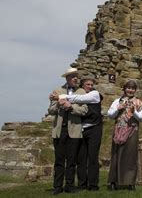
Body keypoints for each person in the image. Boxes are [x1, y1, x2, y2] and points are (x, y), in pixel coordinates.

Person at [48, 67, 88, 195]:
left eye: (76, 76)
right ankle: (57, 186)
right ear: (67, 78)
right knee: (59, 160)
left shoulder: (81, 92)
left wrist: (71, 107)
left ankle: (69, 186)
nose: (75, 78)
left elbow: (84, 110)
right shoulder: (58, 91)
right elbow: (51, 110)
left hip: (74, 131)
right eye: (72, 76)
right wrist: (59, 103)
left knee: (71, 160)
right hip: (59, 130)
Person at [62, 75, 103, 191]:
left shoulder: (94, 94)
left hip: (94, 129)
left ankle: (93, 185)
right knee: (81, 158)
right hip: (81, 129)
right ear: (82, 85)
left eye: (91, 84)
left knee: (93, 158)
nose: (90, 86)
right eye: (87, 84)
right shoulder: (79, 93)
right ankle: (82, 184)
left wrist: (61, 97)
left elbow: (79, 99)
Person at [107, 79, 142, 191]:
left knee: (130, 156)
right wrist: (118, 109)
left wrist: (134, 112)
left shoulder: (138, 102)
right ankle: (114, 181)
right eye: (128, 88)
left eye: (133, 88)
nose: (130, 90)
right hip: (119, 131)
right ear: (124, 89)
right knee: (116, 155)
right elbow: (110, 115)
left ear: (135, 90)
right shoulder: (117, 101)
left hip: (132, 131)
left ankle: (130, 182)